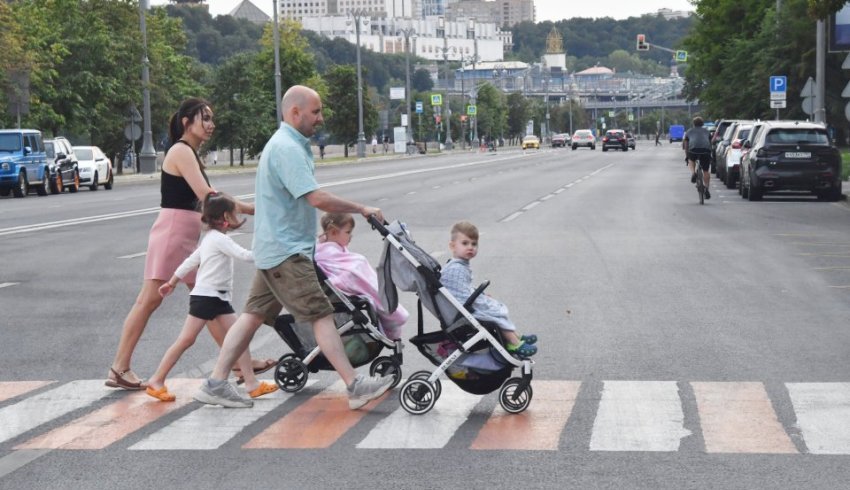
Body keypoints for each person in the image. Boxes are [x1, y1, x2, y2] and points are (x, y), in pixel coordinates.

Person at [194, 85, 394, 409]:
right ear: (295, 112)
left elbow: (277, 201)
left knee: (251, 317)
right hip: (287, 252)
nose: (321, 118)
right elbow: (315, 198)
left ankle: (216, 382)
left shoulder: (287, 145)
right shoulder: (287, 148)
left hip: (275, 249)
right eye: (315, 112)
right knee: (321, 314)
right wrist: (362, 208)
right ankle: (355, 386)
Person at [105, 97, 264, 391]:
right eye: (204, 118)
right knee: (151, 300)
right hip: (174, 234)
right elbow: (208, 196)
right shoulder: (181, 151)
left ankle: (243, 364)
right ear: (186, 122)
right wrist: (255, 209)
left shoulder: (189, 152)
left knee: (211, 302)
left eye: (211, 118)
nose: (211, 124)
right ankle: (119, 367)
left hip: (184, 235)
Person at [146, 192, 278, 402]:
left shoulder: (210, 239)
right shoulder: (219, 240)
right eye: (234, 214)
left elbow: (190, 261)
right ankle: (156, 379)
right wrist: (270, 252)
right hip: (208, 298)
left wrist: (172, 281)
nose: (236, 217)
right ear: (225, 217)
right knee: (187, 340)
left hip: (215, 298)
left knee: (239, 337)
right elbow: (244, 255)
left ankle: (252, 384)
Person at [440, 221, 538, 358]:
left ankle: (516, 336)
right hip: (462, 311)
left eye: (474, 244)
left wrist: (481, 294)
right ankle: (513, 342)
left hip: (462, 307)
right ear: (452, 246)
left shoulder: (458, 265)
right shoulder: (456, 269)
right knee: (495, 312)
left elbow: (463, 288)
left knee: (494, 305)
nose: (470, 247)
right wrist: (479, 299)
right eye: (465, 243)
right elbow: (460, 295)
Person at [315, 212, 408, 340]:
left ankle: (389, 314)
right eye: (347, 232)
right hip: (346, 285)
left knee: (360, 264)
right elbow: (343, 273)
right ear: (333, 232)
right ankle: (391, 314)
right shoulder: (326, 252)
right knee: (361, 267)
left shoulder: (323, 248)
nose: (350, 236)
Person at [684, 116, 713, 200]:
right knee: (706, 171)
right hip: (705, 151)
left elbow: (686, 145)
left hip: (693, 151)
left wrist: (687, 155)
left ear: (693, 124)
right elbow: (710, 144)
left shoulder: (689, 131)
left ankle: (693, 173)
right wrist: (710, 153)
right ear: (702, 124)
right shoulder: (707, 131)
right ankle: (706, 188)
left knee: (691, 159)